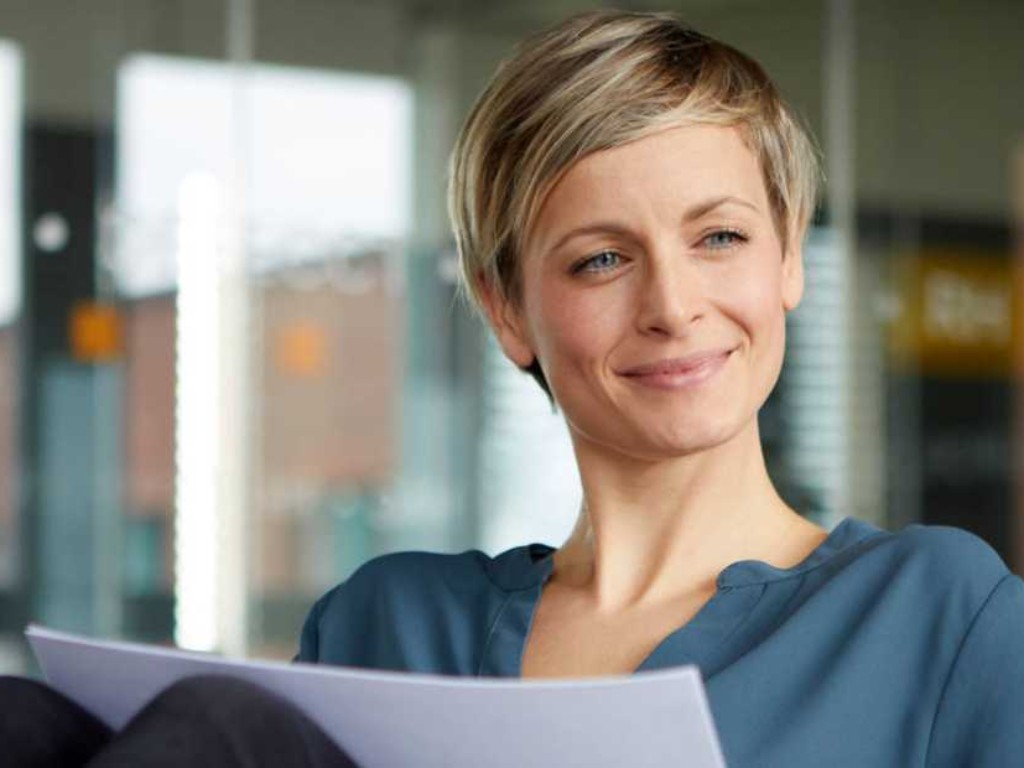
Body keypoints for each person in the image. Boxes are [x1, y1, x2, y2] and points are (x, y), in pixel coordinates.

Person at [3, 9, 1023, 768]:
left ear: (789, 258)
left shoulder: (934, 612)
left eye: (719, 237)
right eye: (599, 260)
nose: (673, 305)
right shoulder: (386, 623)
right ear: (503, 307)